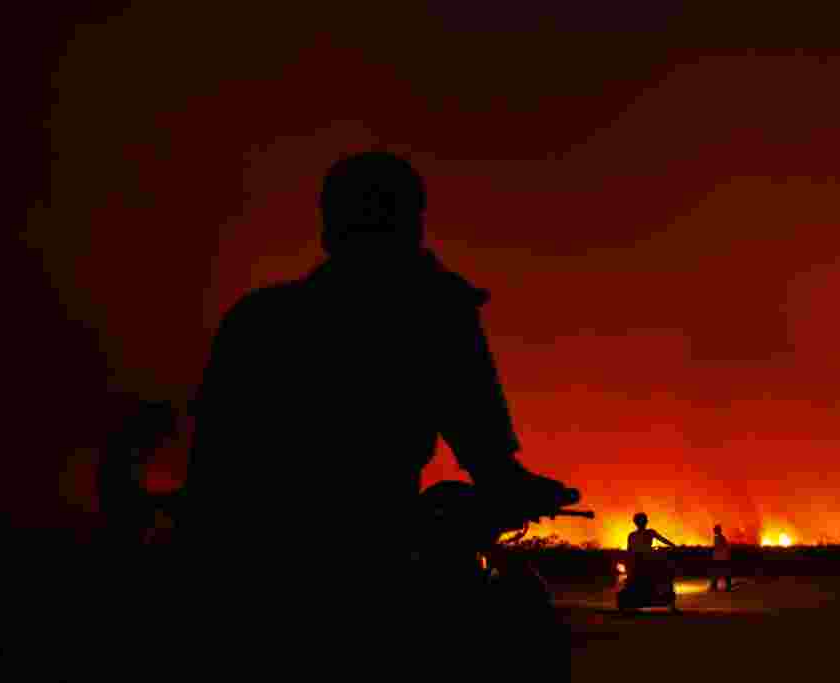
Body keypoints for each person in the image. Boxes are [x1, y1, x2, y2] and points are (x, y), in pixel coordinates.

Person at [181, 151, 572, 678]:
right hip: (372, 559)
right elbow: (488, 452)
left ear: (328, 227)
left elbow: (210, 469)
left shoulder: (258, 321)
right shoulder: (435, 311)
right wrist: (513, 487)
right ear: (412, 221)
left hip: (248, 573)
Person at [97, 399, 178, 549]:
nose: (163, 444)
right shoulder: (125, 457)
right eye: (163, 437)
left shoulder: (129, 456)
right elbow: (127, 498)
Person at [625, 512, 679, 611]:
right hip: (648, 562)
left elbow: (629, 551)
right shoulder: (650, 532)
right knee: (666, 576)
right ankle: (670, 604)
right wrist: (674, 546)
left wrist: (629, 564)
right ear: (646, 522)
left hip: (638, 563)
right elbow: (664, 540)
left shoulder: (632, 535)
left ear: (635, 523)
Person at [709, 524, 732, 592]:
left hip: (721, 558)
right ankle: (716, 585)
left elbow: (720, 547)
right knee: (720, 572)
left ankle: (716, 586)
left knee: (720, 572)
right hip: (720, 558)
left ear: (718, 530)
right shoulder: (718, 537)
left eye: (715, 530)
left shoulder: (720, 538)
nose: (714, 531)